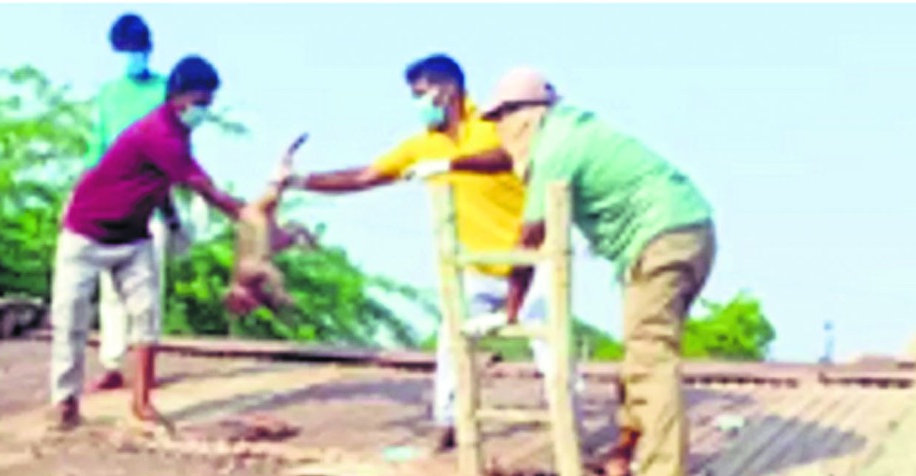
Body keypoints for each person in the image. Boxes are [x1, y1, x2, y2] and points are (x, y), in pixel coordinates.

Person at [436, 66, 717, 476]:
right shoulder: (569, 130)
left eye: (500, 120)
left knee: (650, 357)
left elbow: (530, 239)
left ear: (521, 114)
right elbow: (503, 162)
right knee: (641, 352)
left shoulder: (552, 151)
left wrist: (511, 309)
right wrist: (451, 164)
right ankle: (625, 454)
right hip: (685, 229)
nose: (500, 131)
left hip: (662, 236)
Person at [285, 54, 544, 453]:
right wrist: (302, 181)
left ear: (447, 90)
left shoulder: (492, 124)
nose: (418, 104)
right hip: (475, 266)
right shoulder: (422, 145)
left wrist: (451, 163)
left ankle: (570, 427)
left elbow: (510, 155)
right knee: (452, 342)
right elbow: (366, 176)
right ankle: (448, 424)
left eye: (421, 94)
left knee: (552, 349)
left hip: (531, 259)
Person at [49, 55, 250, 432]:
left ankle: (141, 402)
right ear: (180, 98)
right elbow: (204, 187)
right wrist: (249, 216)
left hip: (133, 235)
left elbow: (160, 183)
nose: (205, 111)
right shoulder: (159, 133)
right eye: (201, 102)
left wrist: (173, 222)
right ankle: (65, 402)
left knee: (146, 318)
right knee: (70, 320)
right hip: (87, 231)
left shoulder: (177, 134)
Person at [84, 13, 189, 392]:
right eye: (126, 50)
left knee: (148, 286)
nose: (132, 56)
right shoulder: (108, 95)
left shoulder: (164, 92)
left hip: (153, 200)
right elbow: (96, 148)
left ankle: (146, 365)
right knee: (111, 288)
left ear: (149, 48)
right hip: (112, 199)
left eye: (137, 48)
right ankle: (112, 362)